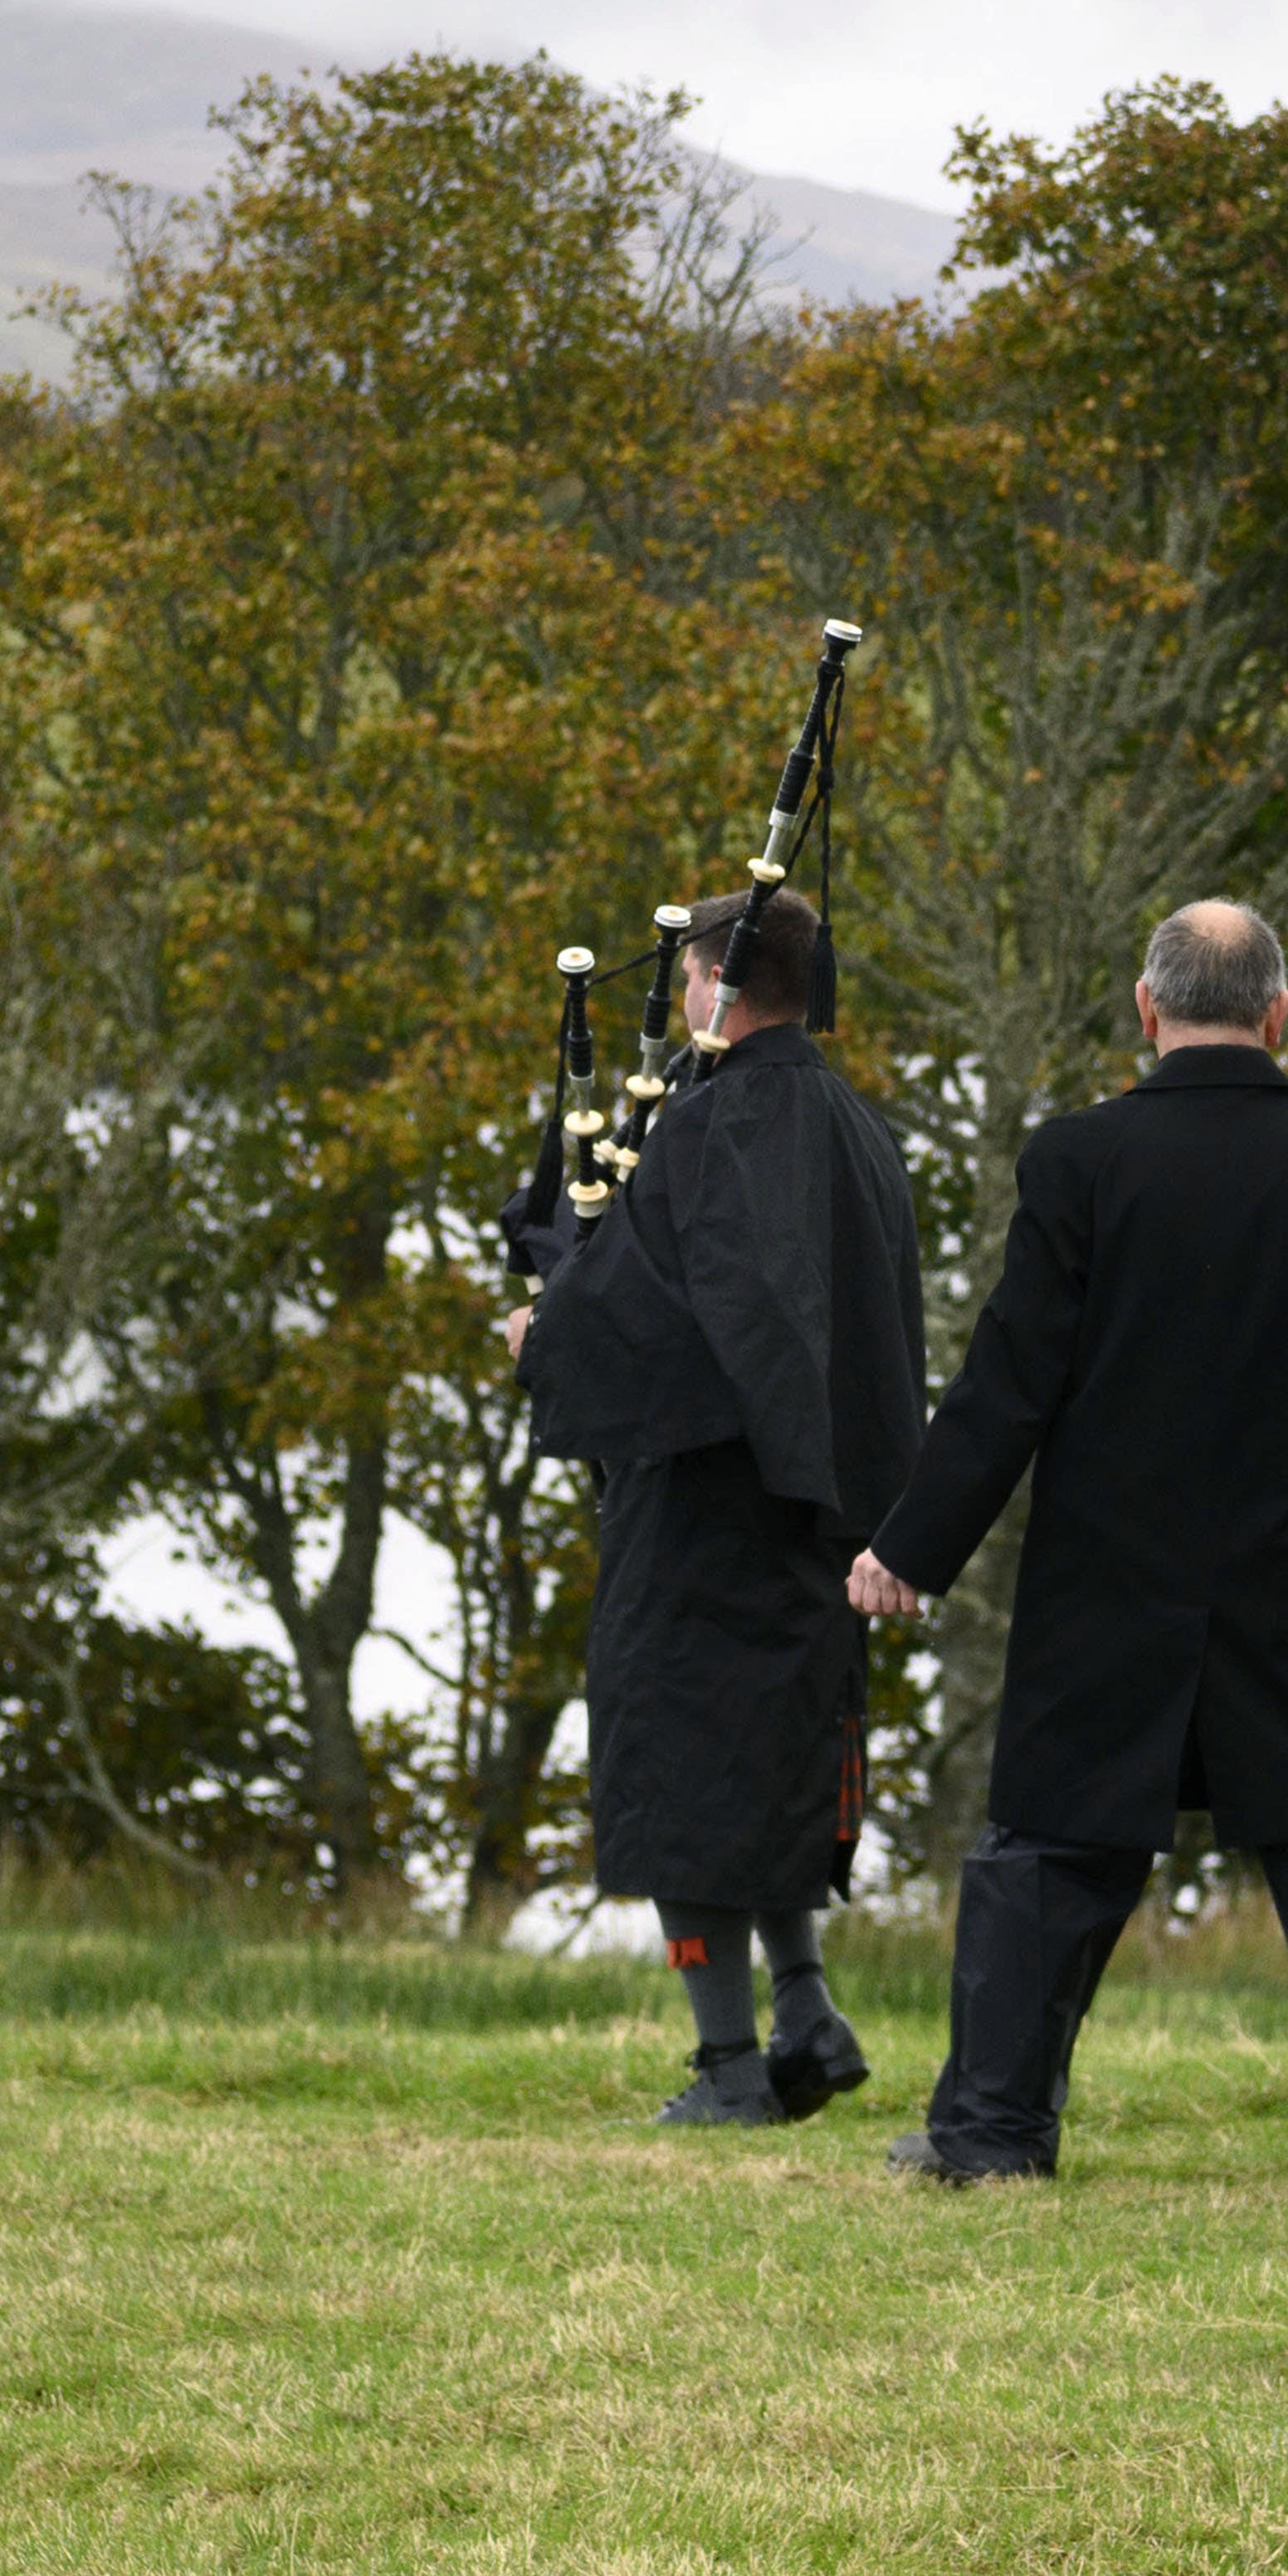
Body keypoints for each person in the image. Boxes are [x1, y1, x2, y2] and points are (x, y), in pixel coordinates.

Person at [856, 901, 1288, 2188]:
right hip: (1286, 1568)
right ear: (1278, 1014)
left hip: (1105, 1574)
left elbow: (1008, 1383)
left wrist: (910, 1547)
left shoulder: (1078, 1160)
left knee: (1049, 1847)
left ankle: (993, 2134)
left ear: (1146, 1008)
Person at [512, 881, 926, 2128]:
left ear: (714, 987)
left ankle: (727, 2064)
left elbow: (668, 1315)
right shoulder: (859, 1128)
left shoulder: (703, 1132)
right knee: (778, 1755)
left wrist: (547, 1334)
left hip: (702, 1499)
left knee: (682, 1766)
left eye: (691, 978)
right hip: (823, 1509)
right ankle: (804, 2008)